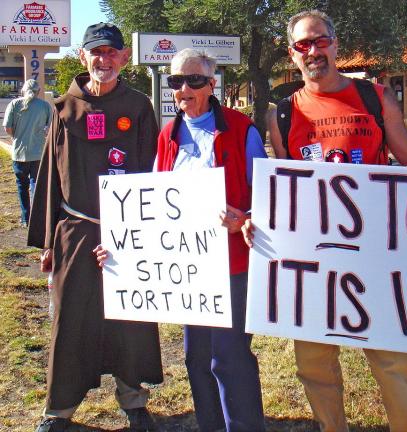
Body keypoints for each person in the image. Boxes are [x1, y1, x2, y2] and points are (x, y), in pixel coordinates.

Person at [261, 10, 407, 432]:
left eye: (320, 41)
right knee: (314, 365)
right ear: (292, 54)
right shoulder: (283, 113)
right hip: (314, 259)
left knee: (395, 365)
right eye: (302, 45)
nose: (313, 51)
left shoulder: (374, 97)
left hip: (377, 254)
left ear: (335, 43)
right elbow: (284, 188)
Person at [27, 23, 163, 432]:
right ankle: (59, 411)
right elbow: (51, 173)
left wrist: (152, 233)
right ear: (83, 57)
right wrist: (48, 240)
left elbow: (153, 173)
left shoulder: (139, 106)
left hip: (128, 232)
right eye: (96, 53)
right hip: (76, 229)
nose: (104, 60)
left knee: (131, 318)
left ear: (124, 58)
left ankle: (134, 400)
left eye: (111, 53)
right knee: (70, 319)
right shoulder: (61, 107)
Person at [146, 48, 266, 432]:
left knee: (228, 356)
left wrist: (244, 219)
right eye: (175, 80)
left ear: (211, 84)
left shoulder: (241, 129)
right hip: (188, 267)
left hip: (231, 265)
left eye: (193, 80)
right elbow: (154, 198)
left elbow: (269, 198)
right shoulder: (168, 134)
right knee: (196, 358)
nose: (183, 88)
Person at [3, 79, 52, 227]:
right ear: (38, 92)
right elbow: (49, 129)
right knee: (36, 184)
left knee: (21, 185)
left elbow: (7, 127)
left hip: (19, 152)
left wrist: (16, 136)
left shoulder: (14, 104)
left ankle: (26, 218)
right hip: (38, 152)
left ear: (23, 90)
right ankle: (38, 216)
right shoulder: (45, 106)